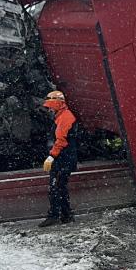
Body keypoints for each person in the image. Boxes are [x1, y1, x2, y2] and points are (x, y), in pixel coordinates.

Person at [39, 90, 78, 227]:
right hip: (64, 158)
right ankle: (66, 215)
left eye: (50, 106)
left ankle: (55, 216)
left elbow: (61, 140)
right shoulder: (62, 116)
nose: (49, 109)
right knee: (60, 187)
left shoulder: (65, 117)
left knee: (55, 187)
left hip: (63, 159)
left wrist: (51, 156)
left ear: (57, 104)